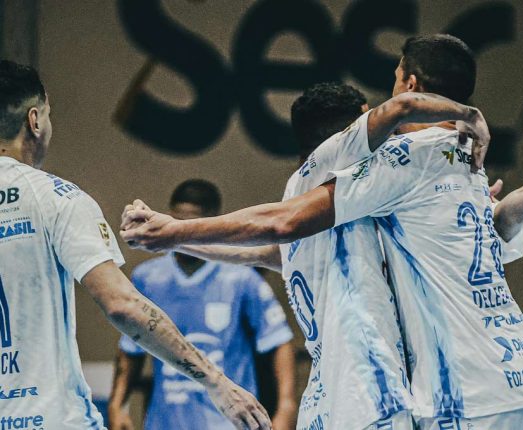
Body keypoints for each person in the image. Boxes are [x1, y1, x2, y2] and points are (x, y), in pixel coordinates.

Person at [122, 34, 523, 430]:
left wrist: (176, 233)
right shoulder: (463, 162)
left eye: (394, 81)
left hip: (440, 394)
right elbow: (513, 212)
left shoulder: (403, 164)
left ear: (410, 85)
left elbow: (279, 230)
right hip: (512, 377)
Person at [122, 82, 493, 430]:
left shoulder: (303, 191)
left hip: (330, 395)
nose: (383, 135)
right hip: (367, 391)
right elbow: (402, 107)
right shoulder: (343, 182)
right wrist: (468, 114)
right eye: (368, 121)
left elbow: (268, 251)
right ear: (349, 135)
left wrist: (173, 239)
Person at [0, 60, 270, 429]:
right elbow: (123, 305)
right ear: (34, 120)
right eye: (48, 115)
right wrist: (218, 383)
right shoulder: (55, 198)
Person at [107, 179, 296, 430]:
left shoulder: (242, 279)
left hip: (228, 423)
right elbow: (131, 346)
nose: (178, 231)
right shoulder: (148, 278)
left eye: (189, 225)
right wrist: (117, 404)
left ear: (210, 221)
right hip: (166, 423)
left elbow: (278, 341)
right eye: (175, 222)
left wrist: (286, 407)